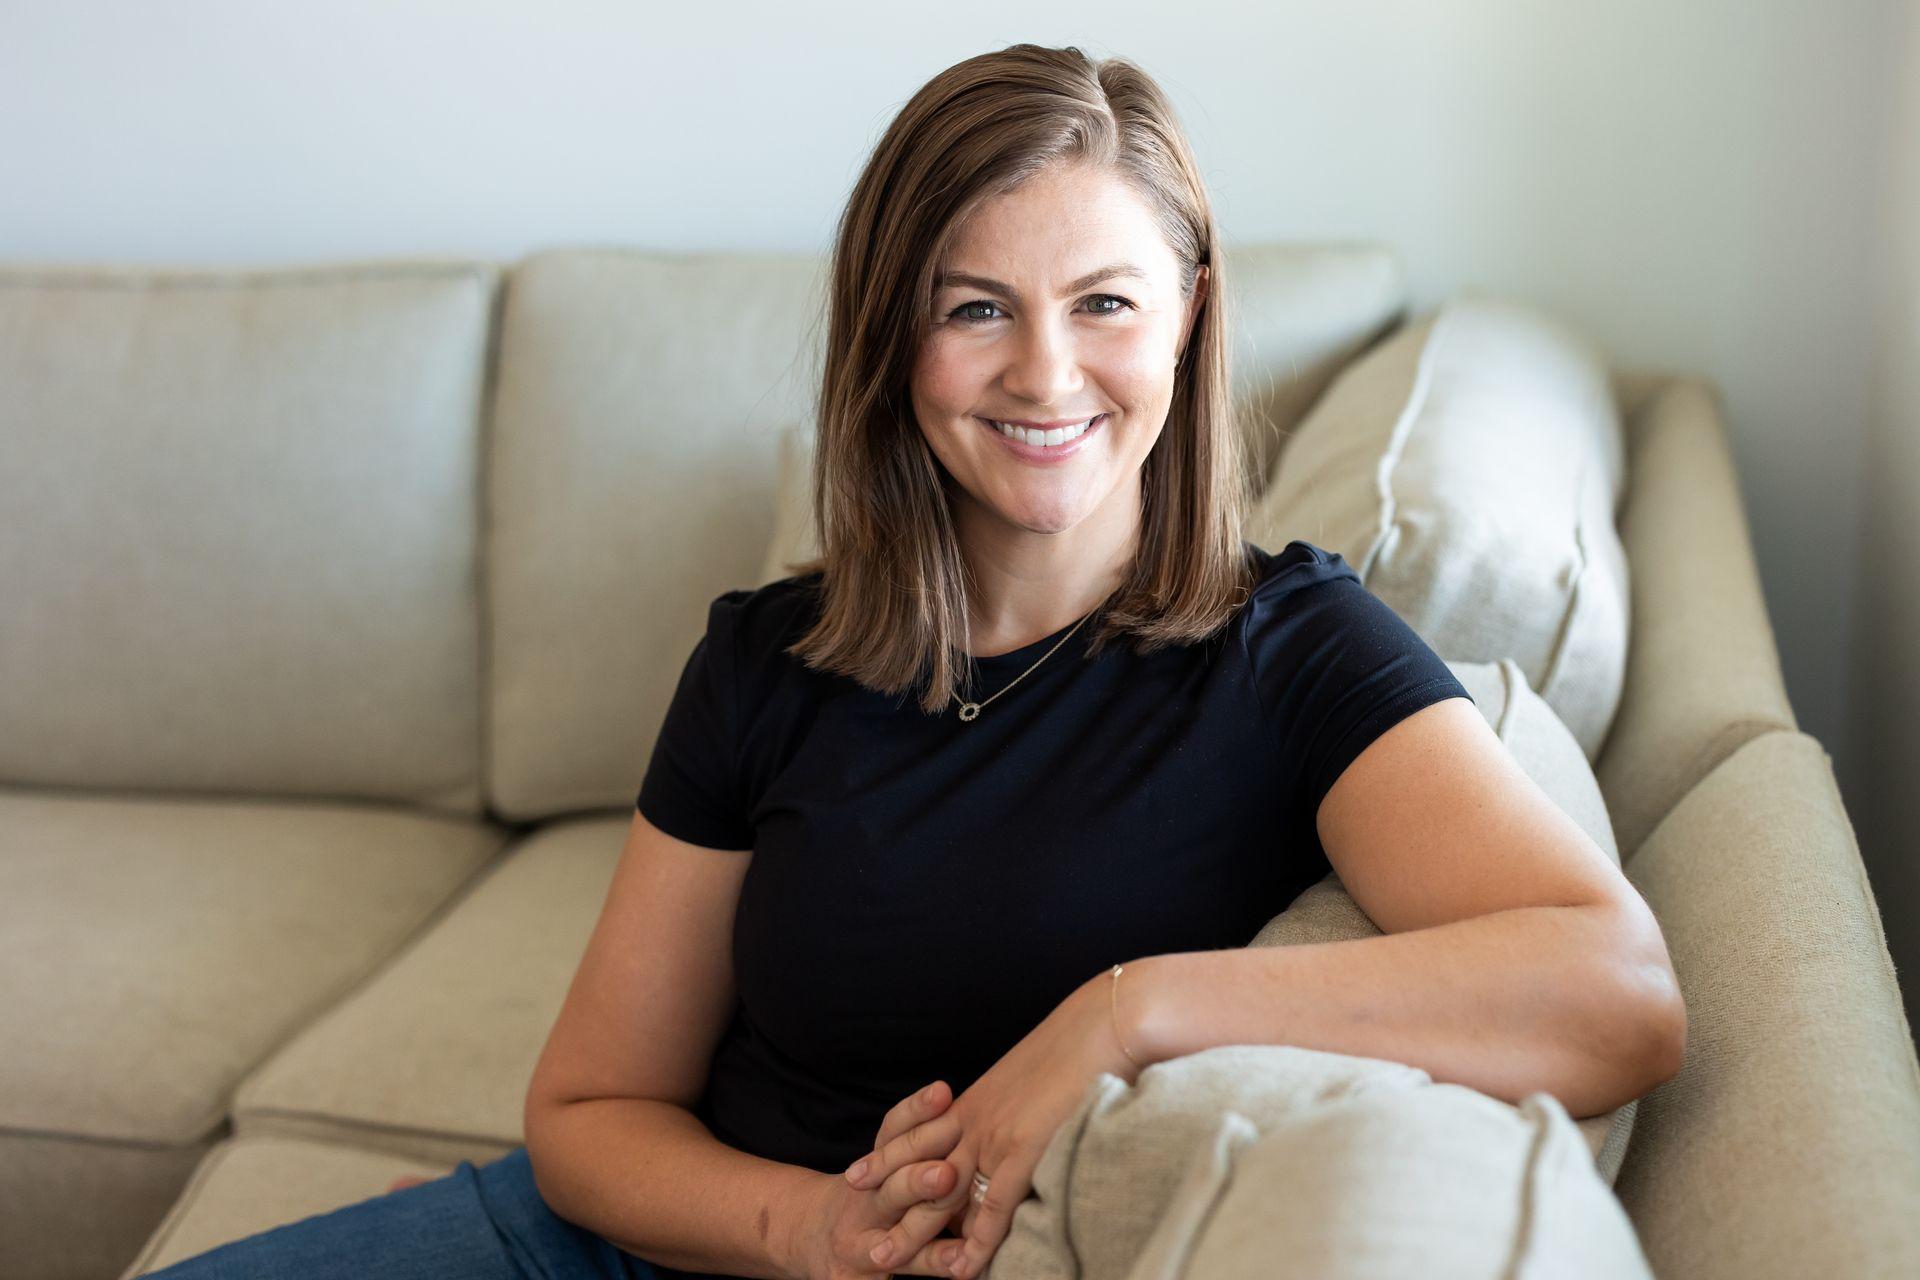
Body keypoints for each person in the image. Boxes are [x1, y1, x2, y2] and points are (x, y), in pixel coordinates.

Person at [145, 41, 1683, 1280]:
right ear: (895, 338)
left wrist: (1130, 1009)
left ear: (1191, 319)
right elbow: (590, 1114)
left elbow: (1614, 990)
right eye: (975, 310)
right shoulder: (770, 656)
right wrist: (804, 1228)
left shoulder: (1287, 647)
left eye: (1104, 305)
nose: (1043, 373)